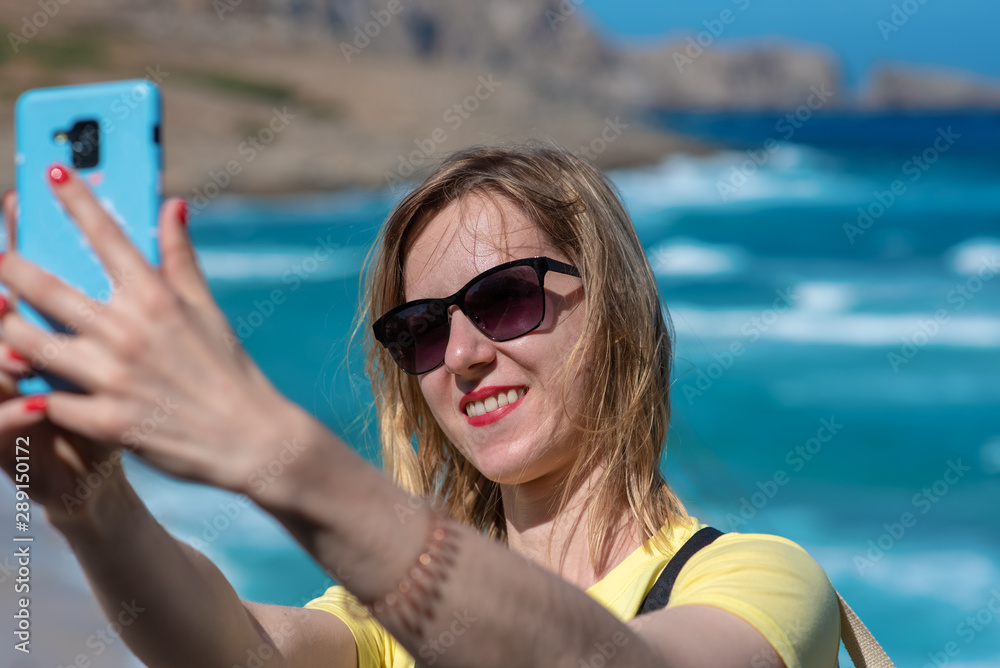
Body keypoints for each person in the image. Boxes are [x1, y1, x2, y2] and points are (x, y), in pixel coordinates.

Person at [0, 144, 841, 668]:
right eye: (422, 329)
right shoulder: (387, 615)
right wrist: (90, 504)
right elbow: (236, 650)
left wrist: (270, 448)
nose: (465, 354)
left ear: (615, 312)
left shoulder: (757, 580)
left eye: (507, 298)